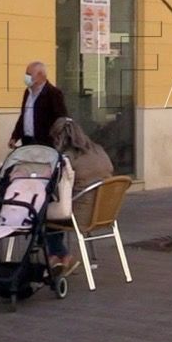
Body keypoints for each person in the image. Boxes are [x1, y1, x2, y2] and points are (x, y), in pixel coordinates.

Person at [49, 116, 114, 274]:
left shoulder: (67, 158)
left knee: (41, 214)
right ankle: (57, 258)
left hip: (80, 215)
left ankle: (59, 257)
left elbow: (57, 189)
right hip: (105, 211)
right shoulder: (98, 150)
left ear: (58, 138)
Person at [9, 61, 68, 149]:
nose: (26, 77)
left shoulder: (53, 93)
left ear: (40, 75)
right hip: (27, 141)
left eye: (29, 74)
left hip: (45, 143)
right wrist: (15, 137)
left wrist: (56, 139)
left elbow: (61, 119)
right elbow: (24, 116)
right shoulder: (27, 92)